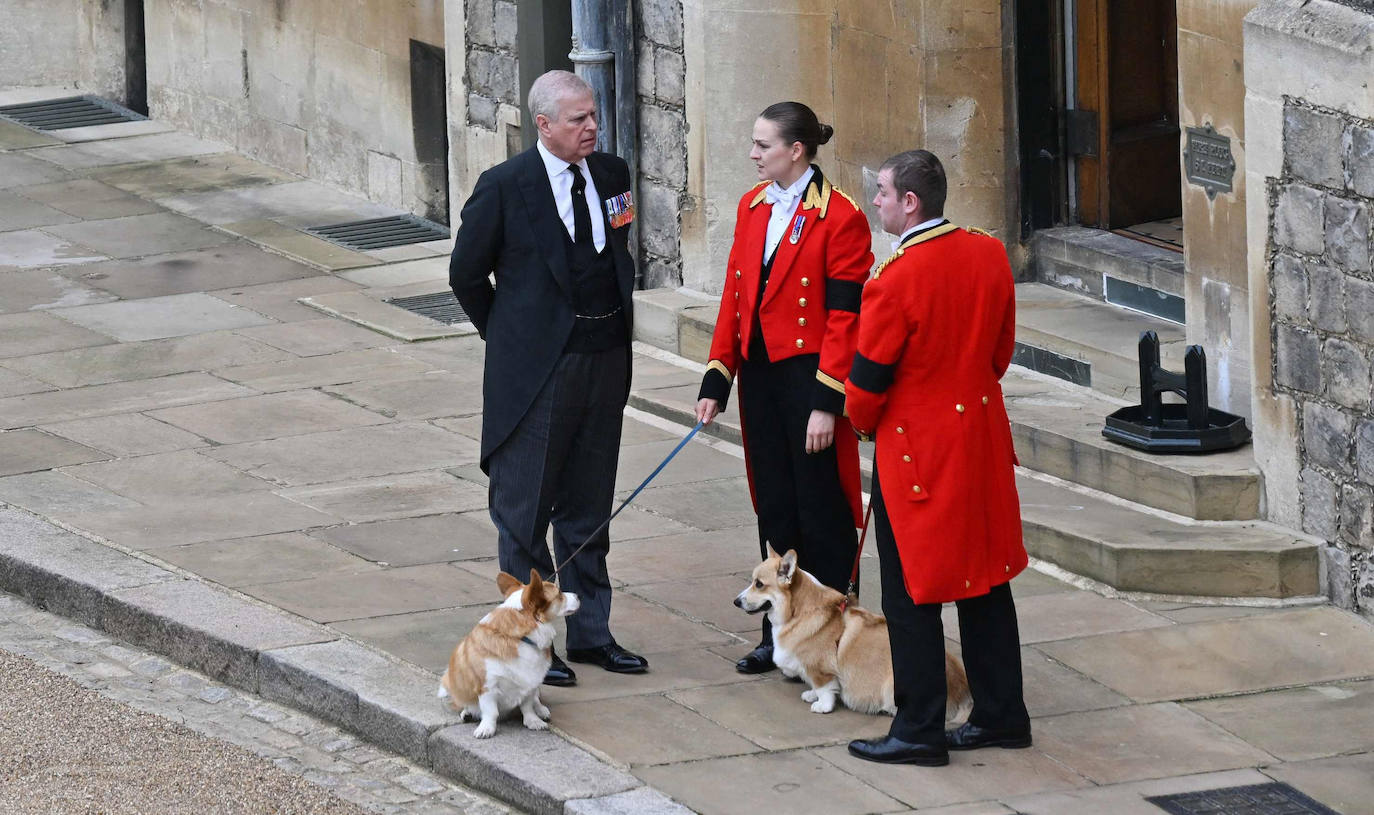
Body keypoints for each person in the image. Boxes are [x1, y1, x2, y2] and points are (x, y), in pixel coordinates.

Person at [448, 70, 648, 687]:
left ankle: (591, 634)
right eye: (578, 119)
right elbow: (465, 275)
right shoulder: (505, 186)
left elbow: (617, 253)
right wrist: (513, 341)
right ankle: (532, 642)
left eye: (594, 115)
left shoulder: (611, 175)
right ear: (543, 124)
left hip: (603, 361)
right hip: (538, 375)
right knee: (525, 511)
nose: (592, 127)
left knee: (589, 507)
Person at [844, 150, 1031, 766]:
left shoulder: (893, 279)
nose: (876, 201)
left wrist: (864, 423)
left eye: (882, 192)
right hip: (979, 443)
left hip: (917, 455)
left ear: (910, 202)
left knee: (910, 597)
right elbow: (999, 353)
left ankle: (919, 729)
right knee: (986, 583)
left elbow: (865, 390)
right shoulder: (988, 252)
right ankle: (1002, 714)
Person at [694, 101, 872, 674]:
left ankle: (835, 637)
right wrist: (718, 375)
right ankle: (779, 635)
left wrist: (827, 403)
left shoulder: (840, 216)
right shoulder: (752, 206)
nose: (753, 154)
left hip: (810, 378)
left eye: (763, 145)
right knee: (772, 505)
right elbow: (736, 296)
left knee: (819, 510)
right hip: (762, 380)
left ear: (796, 150)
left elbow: (846, 317)